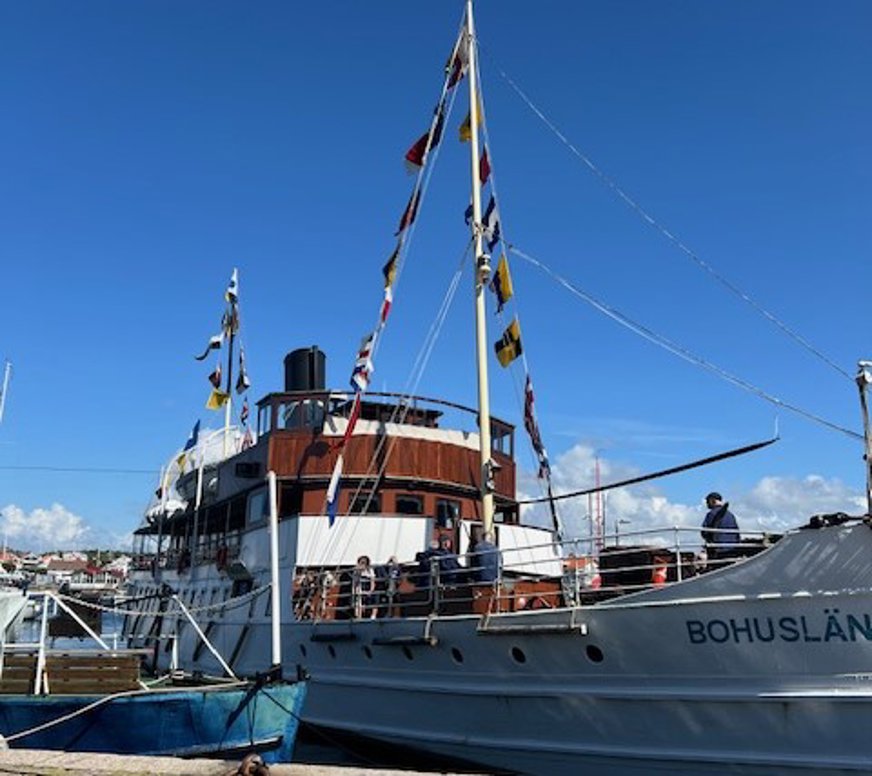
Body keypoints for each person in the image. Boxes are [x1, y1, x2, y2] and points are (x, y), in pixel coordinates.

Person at [701, 492, 740, 563]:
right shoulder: (731, 515)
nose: (707, 504)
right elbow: (737, 533)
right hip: (733, 550)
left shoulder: (711, 514)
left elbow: (704, 532)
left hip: (718, 551)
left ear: (713, 501)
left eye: (707, 502)